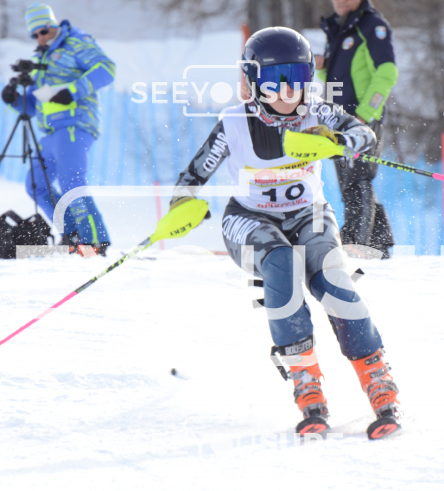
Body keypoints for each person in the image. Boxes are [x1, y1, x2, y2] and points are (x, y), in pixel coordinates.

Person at [169, 27, 402, 439]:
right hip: (249, 218)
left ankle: (378, 380)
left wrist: (336, 141)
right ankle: (306, 383)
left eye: (297, 76)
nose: (287, 90)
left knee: (332, 279)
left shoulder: (317, 112)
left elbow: (365, 135)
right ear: (253, 81)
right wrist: (182, 205)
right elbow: (193, 176)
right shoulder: (233, 122)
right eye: (274, 80)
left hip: (308, 214)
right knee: (281, 264)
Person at [1, 3, 115, 257]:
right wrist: (13, 100)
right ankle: (73, 235)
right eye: (35, 35)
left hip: (75, 124)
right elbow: (34, 105)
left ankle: (94, 242)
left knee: (72, 183)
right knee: (36, 185)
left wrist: (72, 91)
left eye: (43, 31)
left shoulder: (75, 43)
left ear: (52, 25)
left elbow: (107, 69)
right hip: (51, 132)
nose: (40, 37)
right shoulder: (42, 59)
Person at [316, 0, 398, 258]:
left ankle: (354, 244)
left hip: (361, 120)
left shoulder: (371, 25)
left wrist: (364, 115)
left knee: (356, 180)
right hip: (340, 122)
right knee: (350, 183)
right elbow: (340, 80)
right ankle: (378, 244)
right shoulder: (339, 28)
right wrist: (324, 68)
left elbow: (387, 71)